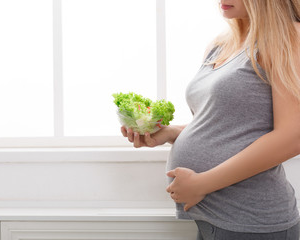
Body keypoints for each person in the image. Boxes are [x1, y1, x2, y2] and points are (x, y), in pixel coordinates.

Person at [121, 0, 300, 239]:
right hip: (213, 219)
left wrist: (202, 184)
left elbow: (292, 136)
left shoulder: (288, 37)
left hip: (251, 221)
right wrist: (173, 133)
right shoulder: (221, 44)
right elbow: (225, 123)